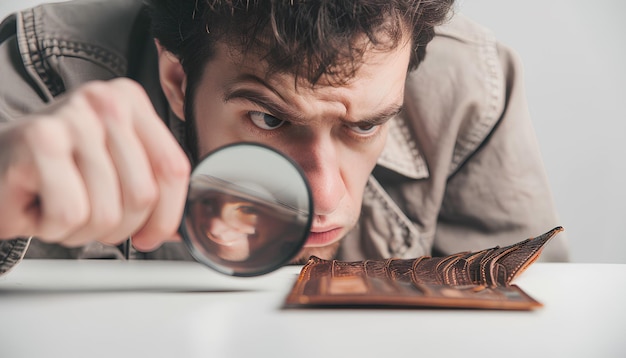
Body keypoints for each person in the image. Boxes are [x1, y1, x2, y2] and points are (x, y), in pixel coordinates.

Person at [0, 0, 569, 276]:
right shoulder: (38, 74)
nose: (326, 202)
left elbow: (547, 319)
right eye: (270, 119)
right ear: (176, 78)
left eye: (366, 124)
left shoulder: (472, 90)